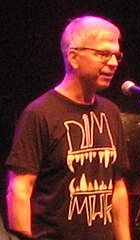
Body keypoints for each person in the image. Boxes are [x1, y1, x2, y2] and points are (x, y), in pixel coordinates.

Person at [6, 15, 132, 240]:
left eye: (116, 55)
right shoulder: (39, 113)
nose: (113, 63)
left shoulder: (111, 112)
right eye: (103, 54)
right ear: (73, 57)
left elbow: (117, 187)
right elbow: (19, 191)